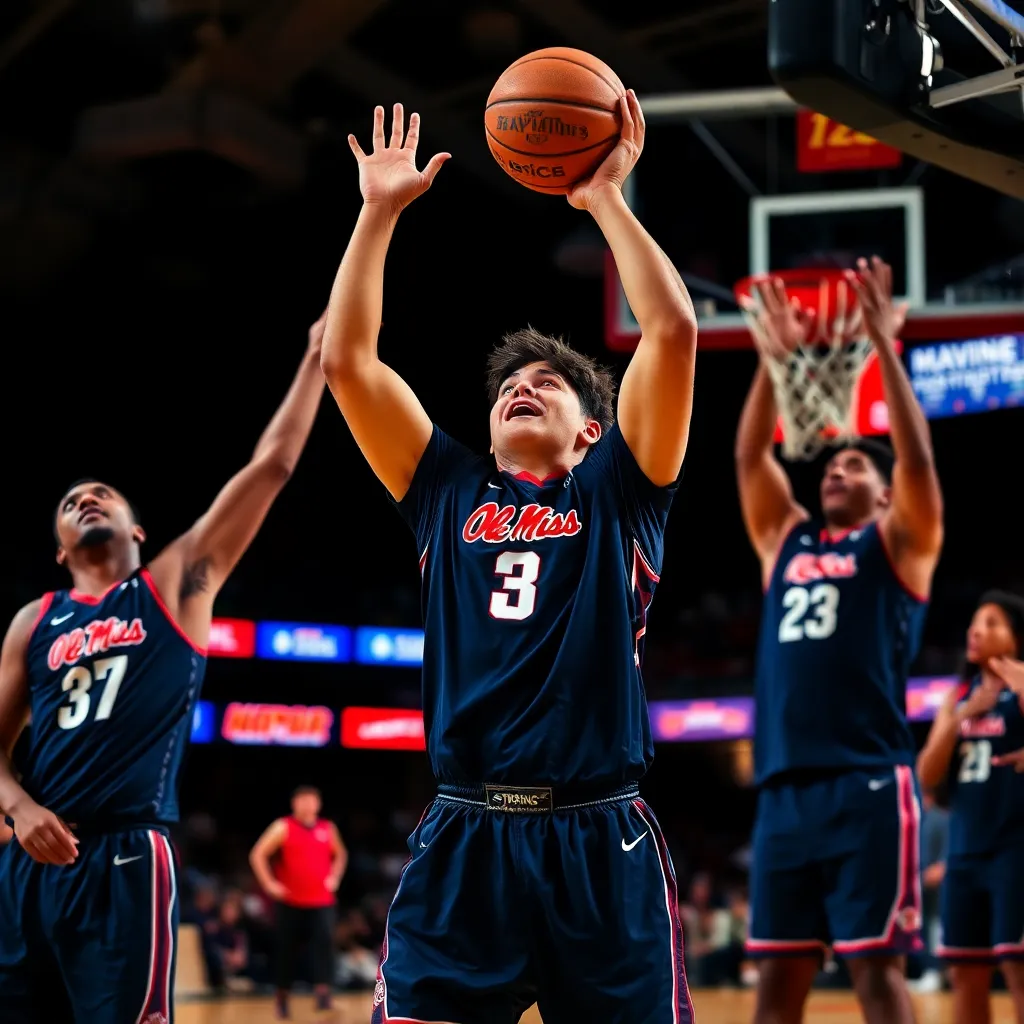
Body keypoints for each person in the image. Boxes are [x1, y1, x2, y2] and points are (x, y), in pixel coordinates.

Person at [320, 94, 697, 1024]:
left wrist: (606, 196)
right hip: (465, 832)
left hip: (598, 833)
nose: (522, 387)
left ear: (593, 431)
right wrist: (378, 214)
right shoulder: (447, 490)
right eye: (508, 387)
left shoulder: (620, 488)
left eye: (549, 384)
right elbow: (349, 363)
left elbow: (674, 333)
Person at [0, 313, 327, 1024]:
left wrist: (313, 362)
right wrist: (18, 807)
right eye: (70, 502)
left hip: (125, 855)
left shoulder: (173, 586)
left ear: (137, 532)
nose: (85, 499)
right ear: (60, 549)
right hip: (30, 861)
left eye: (102, 496)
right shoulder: (33, 620)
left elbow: (269, 468)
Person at [735, 263, 944, 1024]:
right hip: (785, 790)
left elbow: (917, 462)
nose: (835, 468)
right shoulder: (784, 542)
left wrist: (886, 349)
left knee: (877, 981)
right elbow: (751, 459)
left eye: (855, 462)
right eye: (829, 462)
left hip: (868, 785)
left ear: (884, 496)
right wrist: (773, 359)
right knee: (775, 992)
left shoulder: (900, 544)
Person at [917, 591, 1024, 1022]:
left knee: (1018, 967)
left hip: (1015, 851)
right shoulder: (958, 697)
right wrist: (962, 716)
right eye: (975, 623)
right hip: (963, 854)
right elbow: (926, 776)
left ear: (1016, 638)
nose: (976, 631)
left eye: (992, 623)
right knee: (965, 971)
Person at [249, 785, 347, 1020]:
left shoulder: (327, 827)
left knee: (324, 945)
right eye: (302, 800)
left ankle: (323, 995)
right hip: (290, 901)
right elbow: (257, 854)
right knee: (286, 951)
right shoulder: (282, 826)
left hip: (322, 900)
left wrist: (334, 877)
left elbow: (341, 854)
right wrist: (269, 884)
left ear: (318, 804)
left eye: (311, 800)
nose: (307, 804)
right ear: (294, 804)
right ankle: (282, 997)